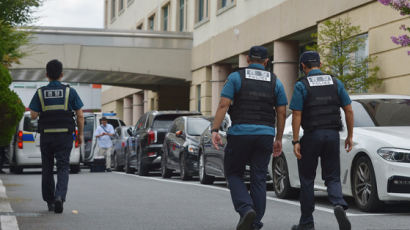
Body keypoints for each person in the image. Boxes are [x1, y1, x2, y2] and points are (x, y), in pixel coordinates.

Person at [211, 46, 287, 230]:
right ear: (266, 61)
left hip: (240, 133)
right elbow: (282, 111)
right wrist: (278, 138)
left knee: (234, 173)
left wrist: (214, 129)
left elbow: (223, 104)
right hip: (265, 135)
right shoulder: (275, 81)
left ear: (247, 59)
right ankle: (255, 221)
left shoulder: (236, 77)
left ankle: (246, 209)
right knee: (259, 177)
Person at [290, 51, 354, 230]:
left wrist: (295, 141)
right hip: (333, 135)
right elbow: (349, 110)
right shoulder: (335, 82)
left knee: (307, 179)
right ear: (320, 63)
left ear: (303, 66)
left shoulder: (302, 85)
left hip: (312, 136)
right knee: (332, 176)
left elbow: (296, 114)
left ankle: (307, 223)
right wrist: (350, 135)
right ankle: (339, 205)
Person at [29, 59, 84, 214]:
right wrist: (79, 135)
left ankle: (50, 201)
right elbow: (80, 115)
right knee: (63, 166)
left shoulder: (40, 92)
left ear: (46, 75)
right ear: (62, 74)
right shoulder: (70, 92)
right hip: (64, 136)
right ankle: (60, 196)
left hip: (46, 136)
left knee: (47, 168)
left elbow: (33, 115)